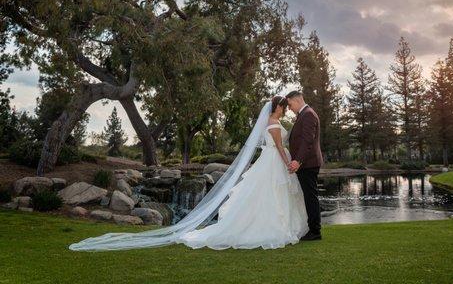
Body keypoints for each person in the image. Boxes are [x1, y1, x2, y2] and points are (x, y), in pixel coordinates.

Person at [68, 96, 309, 251]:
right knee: (271, 193)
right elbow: (278, 147)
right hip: (274, 160)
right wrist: (287, 161)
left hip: (270, 161)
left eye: (287, 107)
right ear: (277, 106)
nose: (285, 110)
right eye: (284, 106)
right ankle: (270, 227)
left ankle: (271, 224)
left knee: (268, 194)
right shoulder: (274, 123)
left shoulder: (269, 121)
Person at [285, 90, 323, 241]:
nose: (289, 108)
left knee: (310, 197)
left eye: (289, 104)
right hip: (306, 163)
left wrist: (298, 161)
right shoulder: (304, 114)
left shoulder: (308, 114)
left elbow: (308, 140)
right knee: (309, 196)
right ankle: (313, 228)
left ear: (296, 100)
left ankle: (315, 231)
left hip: (308, 163)